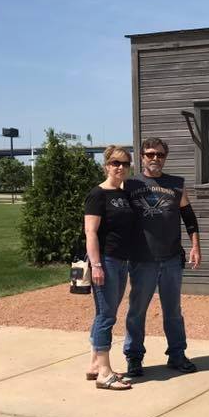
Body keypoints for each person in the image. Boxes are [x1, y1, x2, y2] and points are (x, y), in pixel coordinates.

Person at [123, 137, 202, 376]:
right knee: (137, 311)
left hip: (171, 259)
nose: (155, 158)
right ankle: (134, 357)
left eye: (160, 154)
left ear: (165, 158)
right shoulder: (129, 184)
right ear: (142, 157)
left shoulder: (176, 184)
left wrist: (195, 246)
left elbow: (189, 218)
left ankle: (177, 355)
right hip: (142, 258)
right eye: (150, 154)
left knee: (173, 311)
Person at [84, 145, 135, 390]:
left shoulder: (123, 194)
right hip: (106, 261)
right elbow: (90, 232)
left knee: (104, 313)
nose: (120, 167)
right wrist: (96, 265)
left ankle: (95, 364)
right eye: (115, 163)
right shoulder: (97, 194)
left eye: (125, 163)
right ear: (106, 165)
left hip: (122, 260)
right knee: (107, 316)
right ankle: (105, 373)